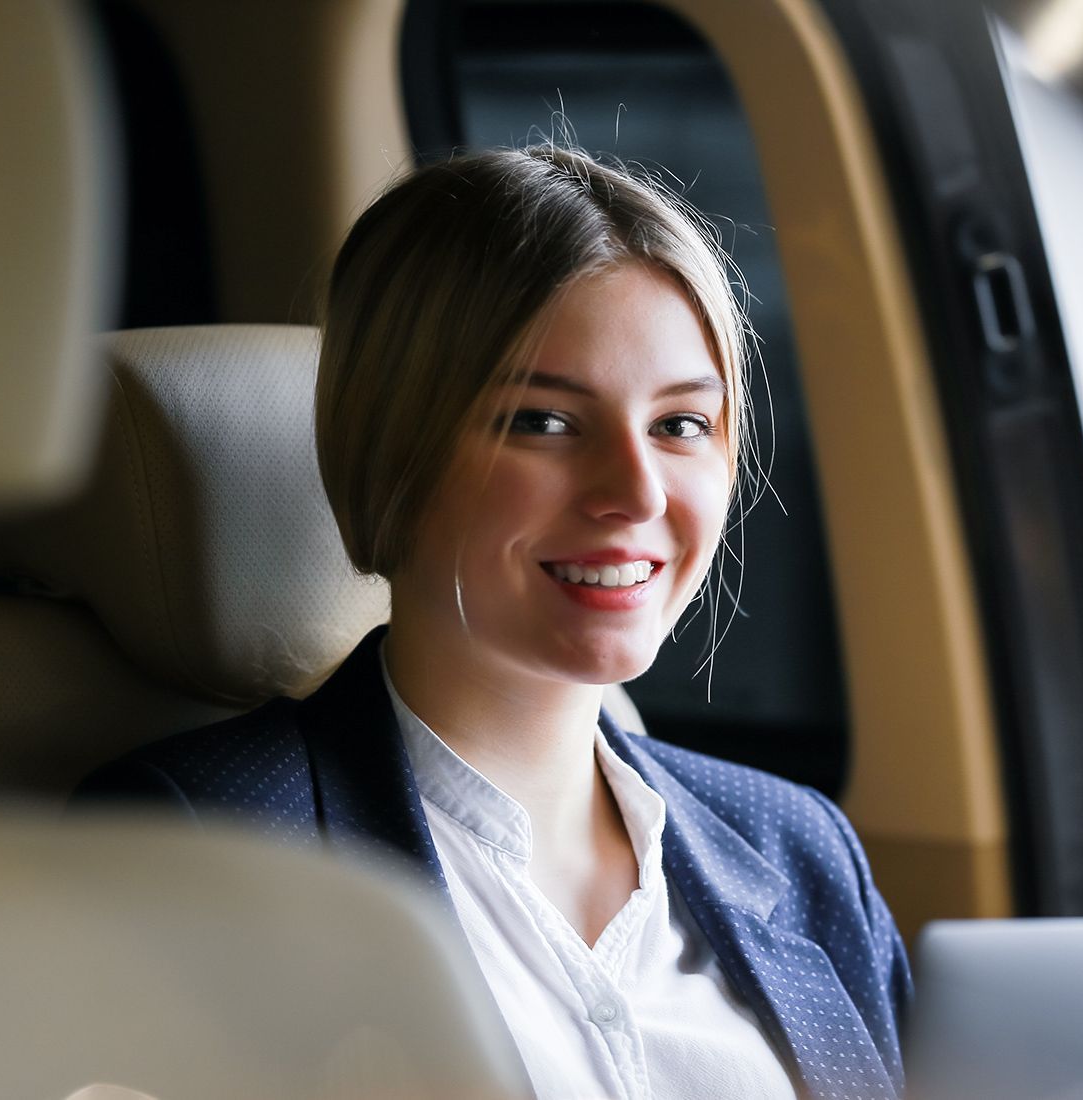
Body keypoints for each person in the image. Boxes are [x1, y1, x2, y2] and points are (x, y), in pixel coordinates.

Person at [76, 145, 910, 1100]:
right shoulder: (196, 849)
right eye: (544, 423)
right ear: (395, 450)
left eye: (681, 425)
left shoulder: (797, 848)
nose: (636, 494)